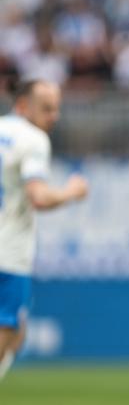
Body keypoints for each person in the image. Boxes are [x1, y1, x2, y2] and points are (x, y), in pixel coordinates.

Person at [0, 78, 89, 381]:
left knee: (17, 332)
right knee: (8, 331)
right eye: (47, 109)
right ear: (23, 106)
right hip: (7, 255)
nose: (55, 116)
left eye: (56, 109)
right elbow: (38, 196)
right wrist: (71, 192)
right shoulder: (33, 139)